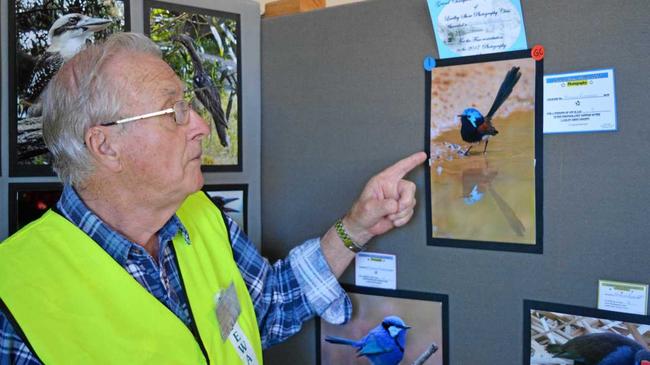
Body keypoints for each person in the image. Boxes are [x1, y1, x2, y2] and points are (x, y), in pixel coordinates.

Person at [0, 33, 426, 364]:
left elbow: (267, 307)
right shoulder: (13, 297)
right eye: (175, 112)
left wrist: (357, 226)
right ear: (105, 145)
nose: (201, 125)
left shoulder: (199, 217)